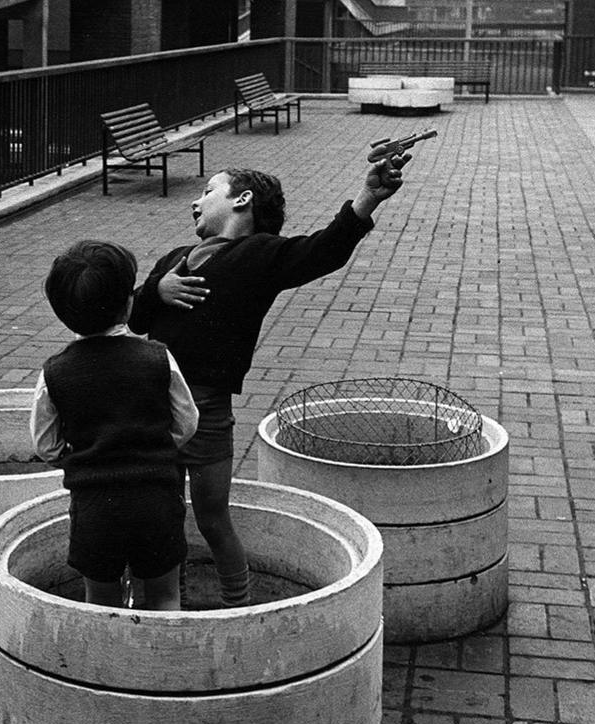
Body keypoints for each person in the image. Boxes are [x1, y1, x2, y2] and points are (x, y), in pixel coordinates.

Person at [129, 153, 410, 607]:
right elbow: (138, 319)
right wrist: (156, 289)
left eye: (207, 191)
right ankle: (164, 604)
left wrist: (367, 199)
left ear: (242, 200)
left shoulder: (260, 255)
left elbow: (325, 248)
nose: (195, 202)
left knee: (211, 515)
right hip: (149, 407)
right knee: (157, 516)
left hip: (206, 413)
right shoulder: (174, 259)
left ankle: (237, 603)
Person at [31, 239, 198, 611]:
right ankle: (161, 665)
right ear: (128, 303)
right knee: (165, 595)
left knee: (100, 601)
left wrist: (87, 455)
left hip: (94, 505)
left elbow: (46, 447)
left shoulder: (54, 372)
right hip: (156, 497)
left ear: (62, 312)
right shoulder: (157, 357)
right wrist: (152, 444)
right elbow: (187, 423)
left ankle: (110, 667)